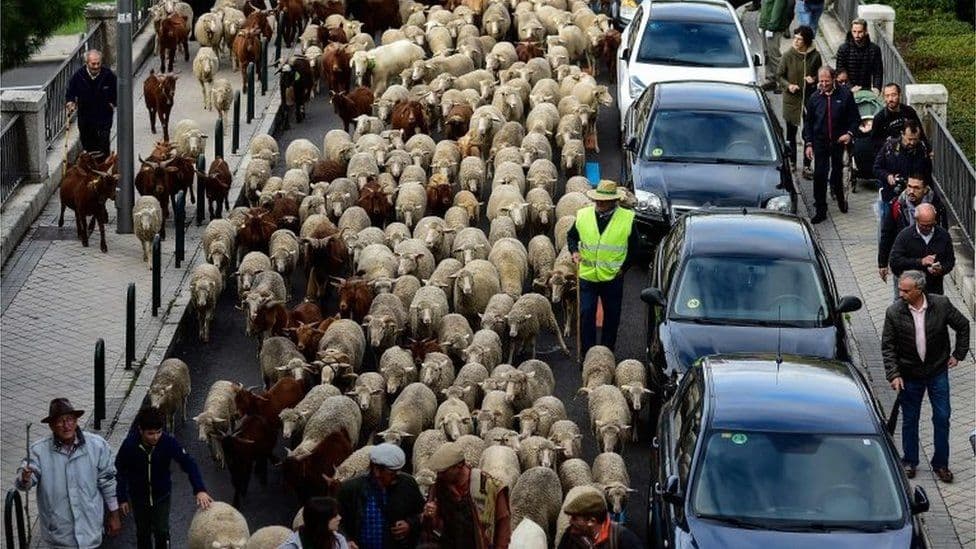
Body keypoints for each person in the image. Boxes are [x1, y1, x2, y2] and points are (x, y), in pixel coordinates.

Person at [882, 270, 969, 483]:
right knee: (910, 418)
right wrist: (894, 374)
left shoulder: (941, 304)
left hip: (937, 371)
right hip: (910, 374)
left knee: (942, 416)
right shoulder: (894, 312)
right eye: (900, 289)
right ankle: (910, 460)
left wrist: (959, 354)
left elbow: (963, 325)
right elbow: (888, 346)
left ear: (919, 290)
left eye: (905, 290)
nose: (900, 293)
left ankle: (941, 464)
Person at [14, 398, 121, 548]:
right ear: (51, 426)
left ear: (76, 421)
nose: (66, 425)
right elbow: (26, 479)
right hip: (58, 535)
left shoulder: (97, 446)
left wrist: (114, 514)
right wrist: (24, 478)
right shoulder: (39, 451)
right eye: (60, 421)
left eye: (70, 419)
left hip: (90, 530)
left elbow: (108, 481)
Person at [115, 407, 213, 549]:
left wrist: (200, 489)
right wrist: (122, 497)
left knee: (162, 531)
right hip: (139, 498)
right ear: (140, 430)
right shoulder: (129, 445)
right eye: (150, 433)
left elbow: (188, 463)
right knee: (143, 532)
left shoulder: (168, 442)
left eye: (158, 432)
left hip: (161, 496)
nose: (155, 437)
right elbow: (120, 471)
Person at [566, 180, 640, 354]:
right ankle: (588, 353)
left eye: (603, 201)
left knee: (612, 316)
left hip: (612, 277)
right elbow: (571, 236)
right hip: (587, 274)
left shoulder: (627, 219)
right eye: (597, 200)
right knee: (586, 313)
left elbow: (635, 248)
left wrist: (624, 268)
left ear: (614, 201)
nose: (599, 203)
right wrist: (574, 251)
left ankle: (606, 352)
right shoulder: (583, 215)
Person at [421, 442, 511, 549]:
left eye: (444, 471)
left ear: (459, 465)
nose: (439, 475)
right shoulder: (439, 486)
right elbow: (433, 529)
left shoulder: (489, 486)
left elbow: (503, 524)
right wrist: (430, 516)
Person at [336, 443, 425, 549]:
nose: (396, 477)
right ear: (376, 470)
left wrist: (410, 524)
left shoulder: (407, 484)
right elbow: (337, 520)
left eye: (397, 472)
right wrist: (347, 540)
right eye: (392, 474)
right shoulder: (351, 489)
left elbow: (420, 513)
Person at [803, 66, 860, 223]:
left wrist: (849, 134)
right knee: (820, 175)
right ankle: (821, 208)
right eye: (821, 81)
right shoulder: (814, 98)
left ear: (833, 78)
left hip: (838, 142)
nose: (823, 84)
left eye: (826, 81)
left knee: (837, 172)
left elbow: (855, 119)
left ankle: (841, 198)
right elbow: (808, 123)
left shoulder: (845, 94)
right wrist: (808, 143)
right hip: (820, 142)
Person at [877, 175, 947, 290]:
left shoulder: (937, 207)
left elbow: (943, 237)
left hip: (929, 267)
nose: (911, 191)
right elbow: (887, 234)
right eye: (909, 186)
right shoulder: (897, 205)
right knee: (902, 300)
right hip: (904, 264)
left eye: (916, 188)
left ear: (925, 189)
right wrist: (882, 263)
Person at [777, 25, 822, 176]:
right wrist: (788, 86)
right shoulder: (787, 55)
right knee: (791, 133)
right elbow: (779, 75)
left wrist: (814, 79)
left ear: (807, 41)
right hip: (792, 99)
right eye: (795, 38)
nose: (796, 41)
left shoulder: (815, 56)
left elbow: (820, 74)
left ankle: (807, 166)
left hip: (809, 99)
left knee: (808, 132)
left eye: (800, 39)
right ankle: (791, 162)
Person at [888, 203, 955, 295]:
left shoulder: (943, 235)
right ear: (916, 220)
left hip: (934, 290)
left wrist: (941, 269)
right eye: (923, 225)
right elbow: (895, 262)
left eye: (931, 225)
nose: (927, 228)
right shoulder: (905, 236)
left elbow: (950, 261)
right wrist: (920, 262)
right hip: (911, 291)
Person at [65, 49, 117, 157]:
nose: (96, 66)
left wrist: (113, 102)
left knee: (104, 143)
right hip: (86, 117)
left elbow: (116, 91)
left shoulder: (108, 75)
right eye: (93, 64)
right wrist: (71, 102)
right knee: (89, 145)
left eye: (98, 63)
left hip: (104, 115)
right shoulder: (78, 76)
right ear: (87, 63)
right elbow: (70, 92)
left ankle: (104, 168)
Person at [556, 490, 642, 549]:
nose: (570, 521)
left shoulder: (624, 539)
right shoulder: (570, 537)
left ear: (591, 521)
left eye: (574, 518)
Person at [871, 83, 930, 151]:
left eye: (893, 95)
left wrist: (928, 149)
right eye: (887, 96)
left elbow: (920, 132)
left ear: (899, 95)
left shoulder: (909, 111)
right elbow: (874, 142)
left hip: (911, 151)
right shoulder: (879, 118)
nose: (890, 99)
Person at [835, 18, 884, 94]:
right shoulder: (843, 49)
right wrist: (850, 87)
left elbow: (878, 72)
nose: (856, 35)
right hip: (847, 90)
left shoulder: (874, 49)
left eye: (860, 32)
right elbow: (840, 71)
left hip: (866, 89)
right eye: (854, 32)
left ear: (865, 31)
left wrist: (877, 88)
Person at [281, 497, 350, 549]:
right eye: (334, 516)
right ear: (322, 520)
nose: (339, 518)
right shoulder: (292, 546)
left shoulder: (338, 540)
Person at [758, 0, 792, 91]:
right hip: (766, 25)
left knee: (774, 55)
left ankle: (782, 82)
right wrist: (761, 24)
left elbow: (778, 9)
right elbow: (764, 7)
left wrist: (772, 27)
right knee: (767, 53)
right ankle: (771, 79)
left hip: (773, 27)